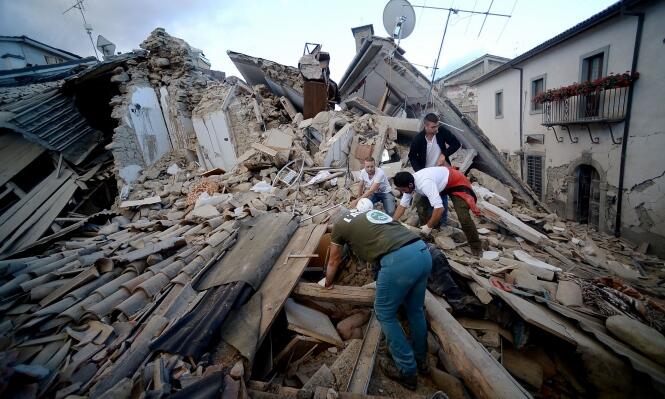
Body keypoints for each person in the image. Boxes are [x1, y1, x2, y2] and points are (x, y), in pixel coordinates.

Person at [325, 207, 431, 390]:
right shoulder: (368, 213)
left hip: (398, 261)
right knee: (415, 310)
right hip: (422, 251)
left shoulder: (339, 225)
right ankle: (422, 360)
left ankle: (407, 370)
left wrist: (327, 283)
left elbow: (333, 260)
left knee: (384, 313)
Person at [393, 166, 483, 256]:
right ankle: (427, 238)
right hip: (440, 184)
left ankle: (476, 247)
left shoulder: (425, 184)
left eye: (403, 190)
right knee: (422, 208)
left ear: (410, 185)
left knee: (464, 218)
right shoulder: (408, 184)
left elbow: (439, 209)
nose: (403, 192)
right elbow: (402, 205)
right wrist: (392, 222)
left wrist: (428, 227)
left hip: (456, 182)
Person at [408, 113, 461, 226]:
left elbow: (456, 144)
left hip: (440, 172)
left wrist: (444, 154)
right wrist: (419, 172)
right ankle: (428, 223)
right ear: (425, 126)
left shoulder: (441, 132)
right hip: (426, 174)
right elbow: (412, 157)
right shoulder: (418, 139)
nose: (436, 129)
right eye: (433, 127)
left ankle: (442, 224)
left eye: (437, 126)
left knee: (442, 198)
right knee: (427, 199)